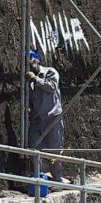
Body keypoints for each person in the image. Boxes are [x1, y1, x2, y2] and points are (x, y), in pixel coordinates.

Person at [25, 50, 65, 183]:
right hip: (37, 118)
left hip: (52, 116)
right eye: (28, 62)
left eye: (32, 60)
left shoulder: (50, 72)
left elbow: (52, 87)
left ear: (38, 60)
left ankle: (57, 178)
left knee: (53, 149)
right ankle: (39, 175)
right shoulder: (30, 81)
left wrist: (36, 79)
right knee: (34, 144)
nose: (31, 64)